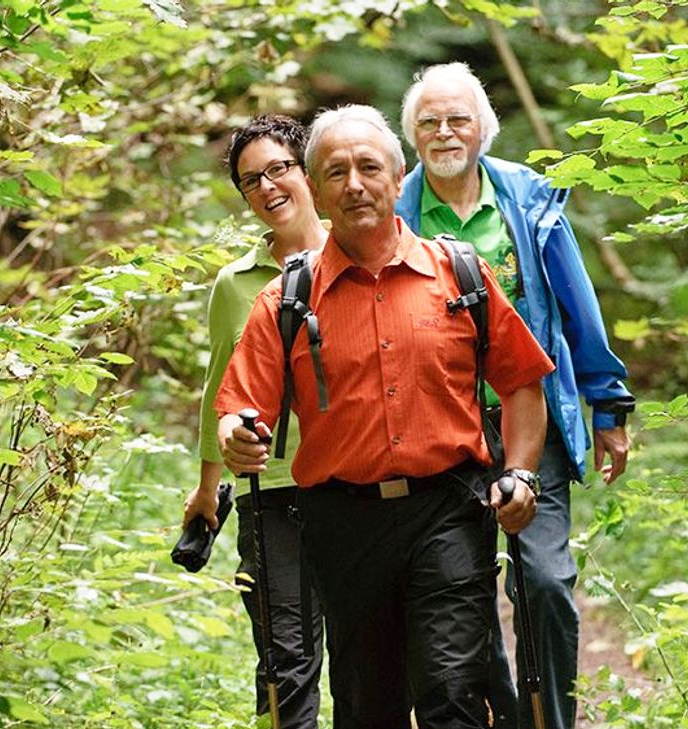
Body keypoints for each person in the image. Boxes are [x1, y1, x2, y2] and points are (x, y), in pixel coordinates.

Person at [215, 104, 556, 729]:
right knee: (368, 705)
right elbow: (240, 407)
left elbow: (522, 384)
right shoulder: (285, 299)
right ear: (316, 190)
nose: (354, 185)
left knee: (453, 692)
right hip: (341, 524)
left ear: (399, 179)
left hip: (449, 509)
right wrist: (236, 435)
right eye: (336, 172)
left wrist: (522, 473)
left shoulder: (460, 275)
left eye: (369, 168)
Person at [396, 62, 636, 729]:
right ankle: (508, 714)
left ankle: (550, 719)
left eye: (458, 119)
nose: (444, 132)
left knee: (544, 582)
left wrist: (608, 403)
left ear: (483, 128)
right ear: (412, 135)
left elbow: (575, 306)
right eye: (428, 121)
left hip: (534, 416)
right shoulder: (395, 211)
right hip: (442, 427)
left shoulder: (526, 198)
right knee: (461, 591)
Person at [182, 115, 328, 728]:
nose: (267, 187)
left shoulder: (362, 255)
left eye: (278, 169)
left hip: (359, 485)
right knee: (285, 664)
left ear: (307, 171)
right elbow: (220, 387)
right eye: (250, 180)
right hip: (271, 491)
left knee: (370, 662)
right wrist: (207, 486)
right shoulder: (234, 284)